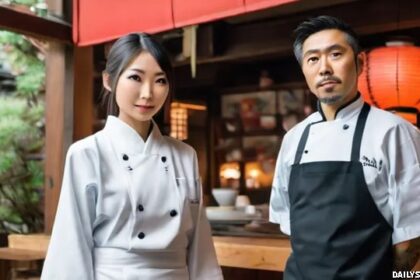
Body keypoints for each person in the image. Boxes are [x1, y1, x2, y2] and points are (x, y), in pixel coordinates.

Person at [41, 33, 223, 280]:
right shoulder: (87, 154)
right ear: (108, 80)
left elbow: (201, 246)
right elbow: (71, 246)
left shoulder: (185, 155)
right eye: (136, 78)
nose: (148, 93)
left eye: (160, 81)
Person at [269, 15, 420, 279]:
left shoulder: (394, 132)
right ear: (304, 70)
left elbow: (412, 235)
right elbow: (292, 227)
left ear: (360, 62)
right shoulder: (294, 138)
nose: (324, 68)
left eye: (335, 54)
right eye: (312, 59)